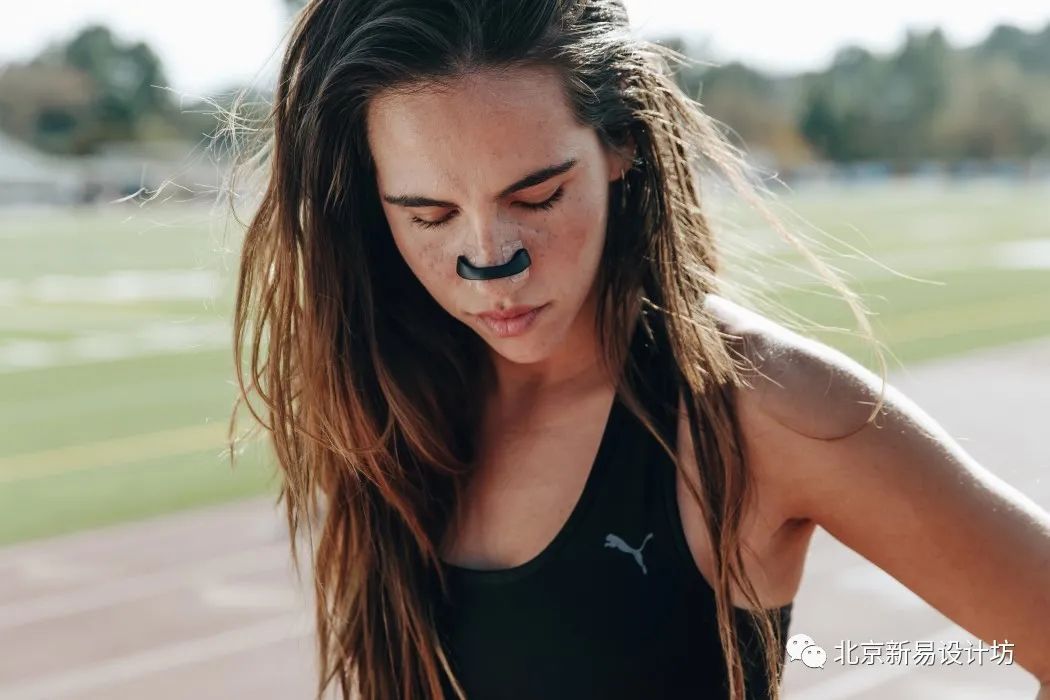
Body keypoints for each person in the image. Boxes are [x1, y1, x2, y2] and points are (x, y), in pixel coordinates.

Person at [223, 1, 1050, 698]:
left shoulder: (762, 409)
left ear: (620, 145)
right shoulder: (391, 398)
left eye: (539, 196)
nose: (491, 264)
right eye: (428, 215)